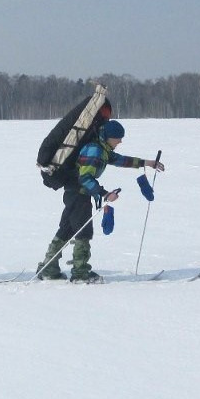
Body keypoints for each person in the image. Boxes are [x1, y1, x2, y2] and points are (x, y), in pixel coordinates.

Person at [36, 119, 165, 283]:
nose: (120, 141)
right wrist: (105, 194)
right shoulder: (94, 150)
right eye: (118, 138)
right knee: (84, 232)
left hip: (74, 194)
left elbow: (120, 160)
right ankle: (80, 274)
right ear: (108, 137)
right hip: (79, 195)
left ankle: (48, 269)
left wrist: (147, 163)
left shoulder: (102, 149)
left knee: (66, 230)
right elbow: (85, 178)